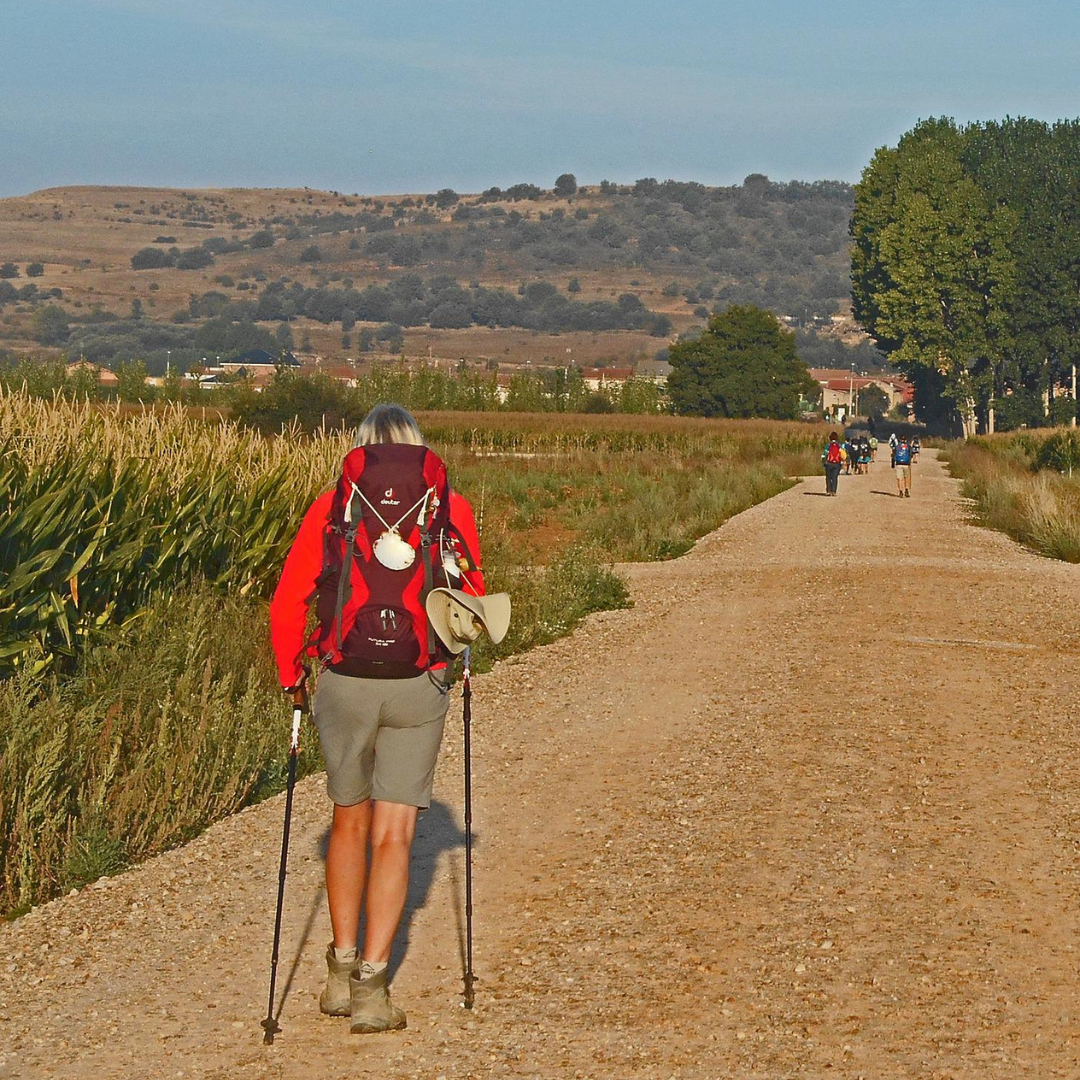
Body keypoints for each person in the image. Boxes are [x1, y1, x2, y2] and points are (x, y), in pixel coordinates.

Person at [270, 403, 486, 1035]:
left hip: (344, 681)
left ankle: (338, 973)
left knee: (348, 820)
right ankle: (372, 989)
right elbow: (470, 599)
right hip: (418, 683)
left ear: (360, 450)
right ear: (418, 448)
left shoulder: (333, 507)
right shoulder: (449, 508)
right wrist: (457, 659)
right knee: (394, 835)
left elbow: (288, 602)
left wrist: (291, 676)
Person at [822, 431, 843, 495]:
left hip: (829, 463)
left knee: (828, 477)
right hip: (837, 463)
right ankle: (834, 491)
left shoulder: (828, 445)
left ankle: (829, 491)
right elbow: (842, 454)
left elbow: (824, 454)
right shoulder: (839, 445)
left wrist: (823, 461)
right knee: (835, 478)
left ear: (830, 438)